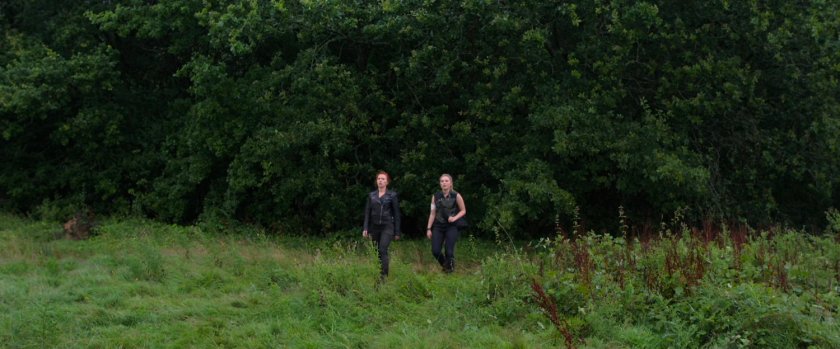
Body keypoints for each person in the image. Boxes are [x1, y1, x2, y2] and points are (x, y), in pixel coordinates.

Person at [363, 171, 401, 280]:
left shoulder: (392, 195)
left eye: (383, 179)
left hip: (387, 226)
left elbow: (397, 214)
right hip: (374, 226)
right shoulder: (371, 195)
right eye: (379, 179)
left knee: (383, 249)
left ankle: (384, 277)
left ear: (387, 182)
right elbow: (367, 212)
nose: (380, 180)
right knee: (377, 251)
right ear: (376, 181)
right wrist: (365, 227)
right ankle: (379, 272)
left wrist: (397, 232)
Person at [425, 173, 466, 273]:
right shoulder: (435, 196)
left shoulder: (456, 195)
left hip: (451, 226)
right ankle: (446, 265)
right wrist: (429, 228)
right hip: (438, 227)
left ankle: (450, 270)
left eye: (446, 181)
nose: (444, 183)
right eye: (442, 181)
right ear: (440, 183)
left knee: (449, 251)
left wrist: (454, 217)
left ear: (451, 183)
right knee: (435, 251)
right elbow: (432, 213)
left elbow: (463, 210)